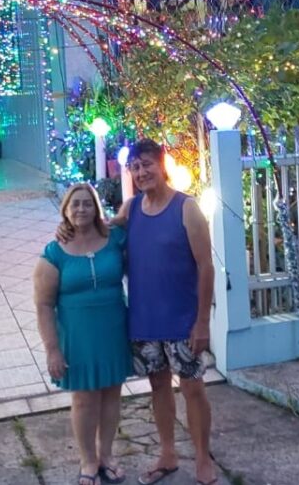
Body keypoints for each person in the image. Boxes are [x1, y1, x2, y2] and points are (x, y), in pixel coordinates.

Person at [64, 139, 218, 485]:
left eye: (147, 164)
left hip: (183, 322)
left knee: (193, 389)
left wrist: (202, 322)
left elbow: (206, 267)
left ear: (161, 166)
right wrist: (70, 228)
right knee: (159, 388)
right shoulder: (132, 209)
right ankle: (167, 454)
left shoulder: (186, 208)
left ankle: (203, 458)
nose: (141, 172)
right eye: (135, 167)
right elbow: (101, 228)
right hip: (145, 322)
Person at [34, 183, 132, 485]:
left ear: (96, 208)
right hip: (77, 336)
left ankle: (107, 456)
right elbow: (44, 304)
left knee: (112, 395)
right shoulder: (54, 252)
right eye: (74, 204)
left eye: (86, 204)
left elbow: (133, 212)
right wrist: (52, 349)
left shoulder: (114, 238)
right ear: (65, 209)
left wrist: (115, 220)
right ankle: (88, 460)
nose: (80, 209)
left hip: (113, 329)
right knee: (84, 399)